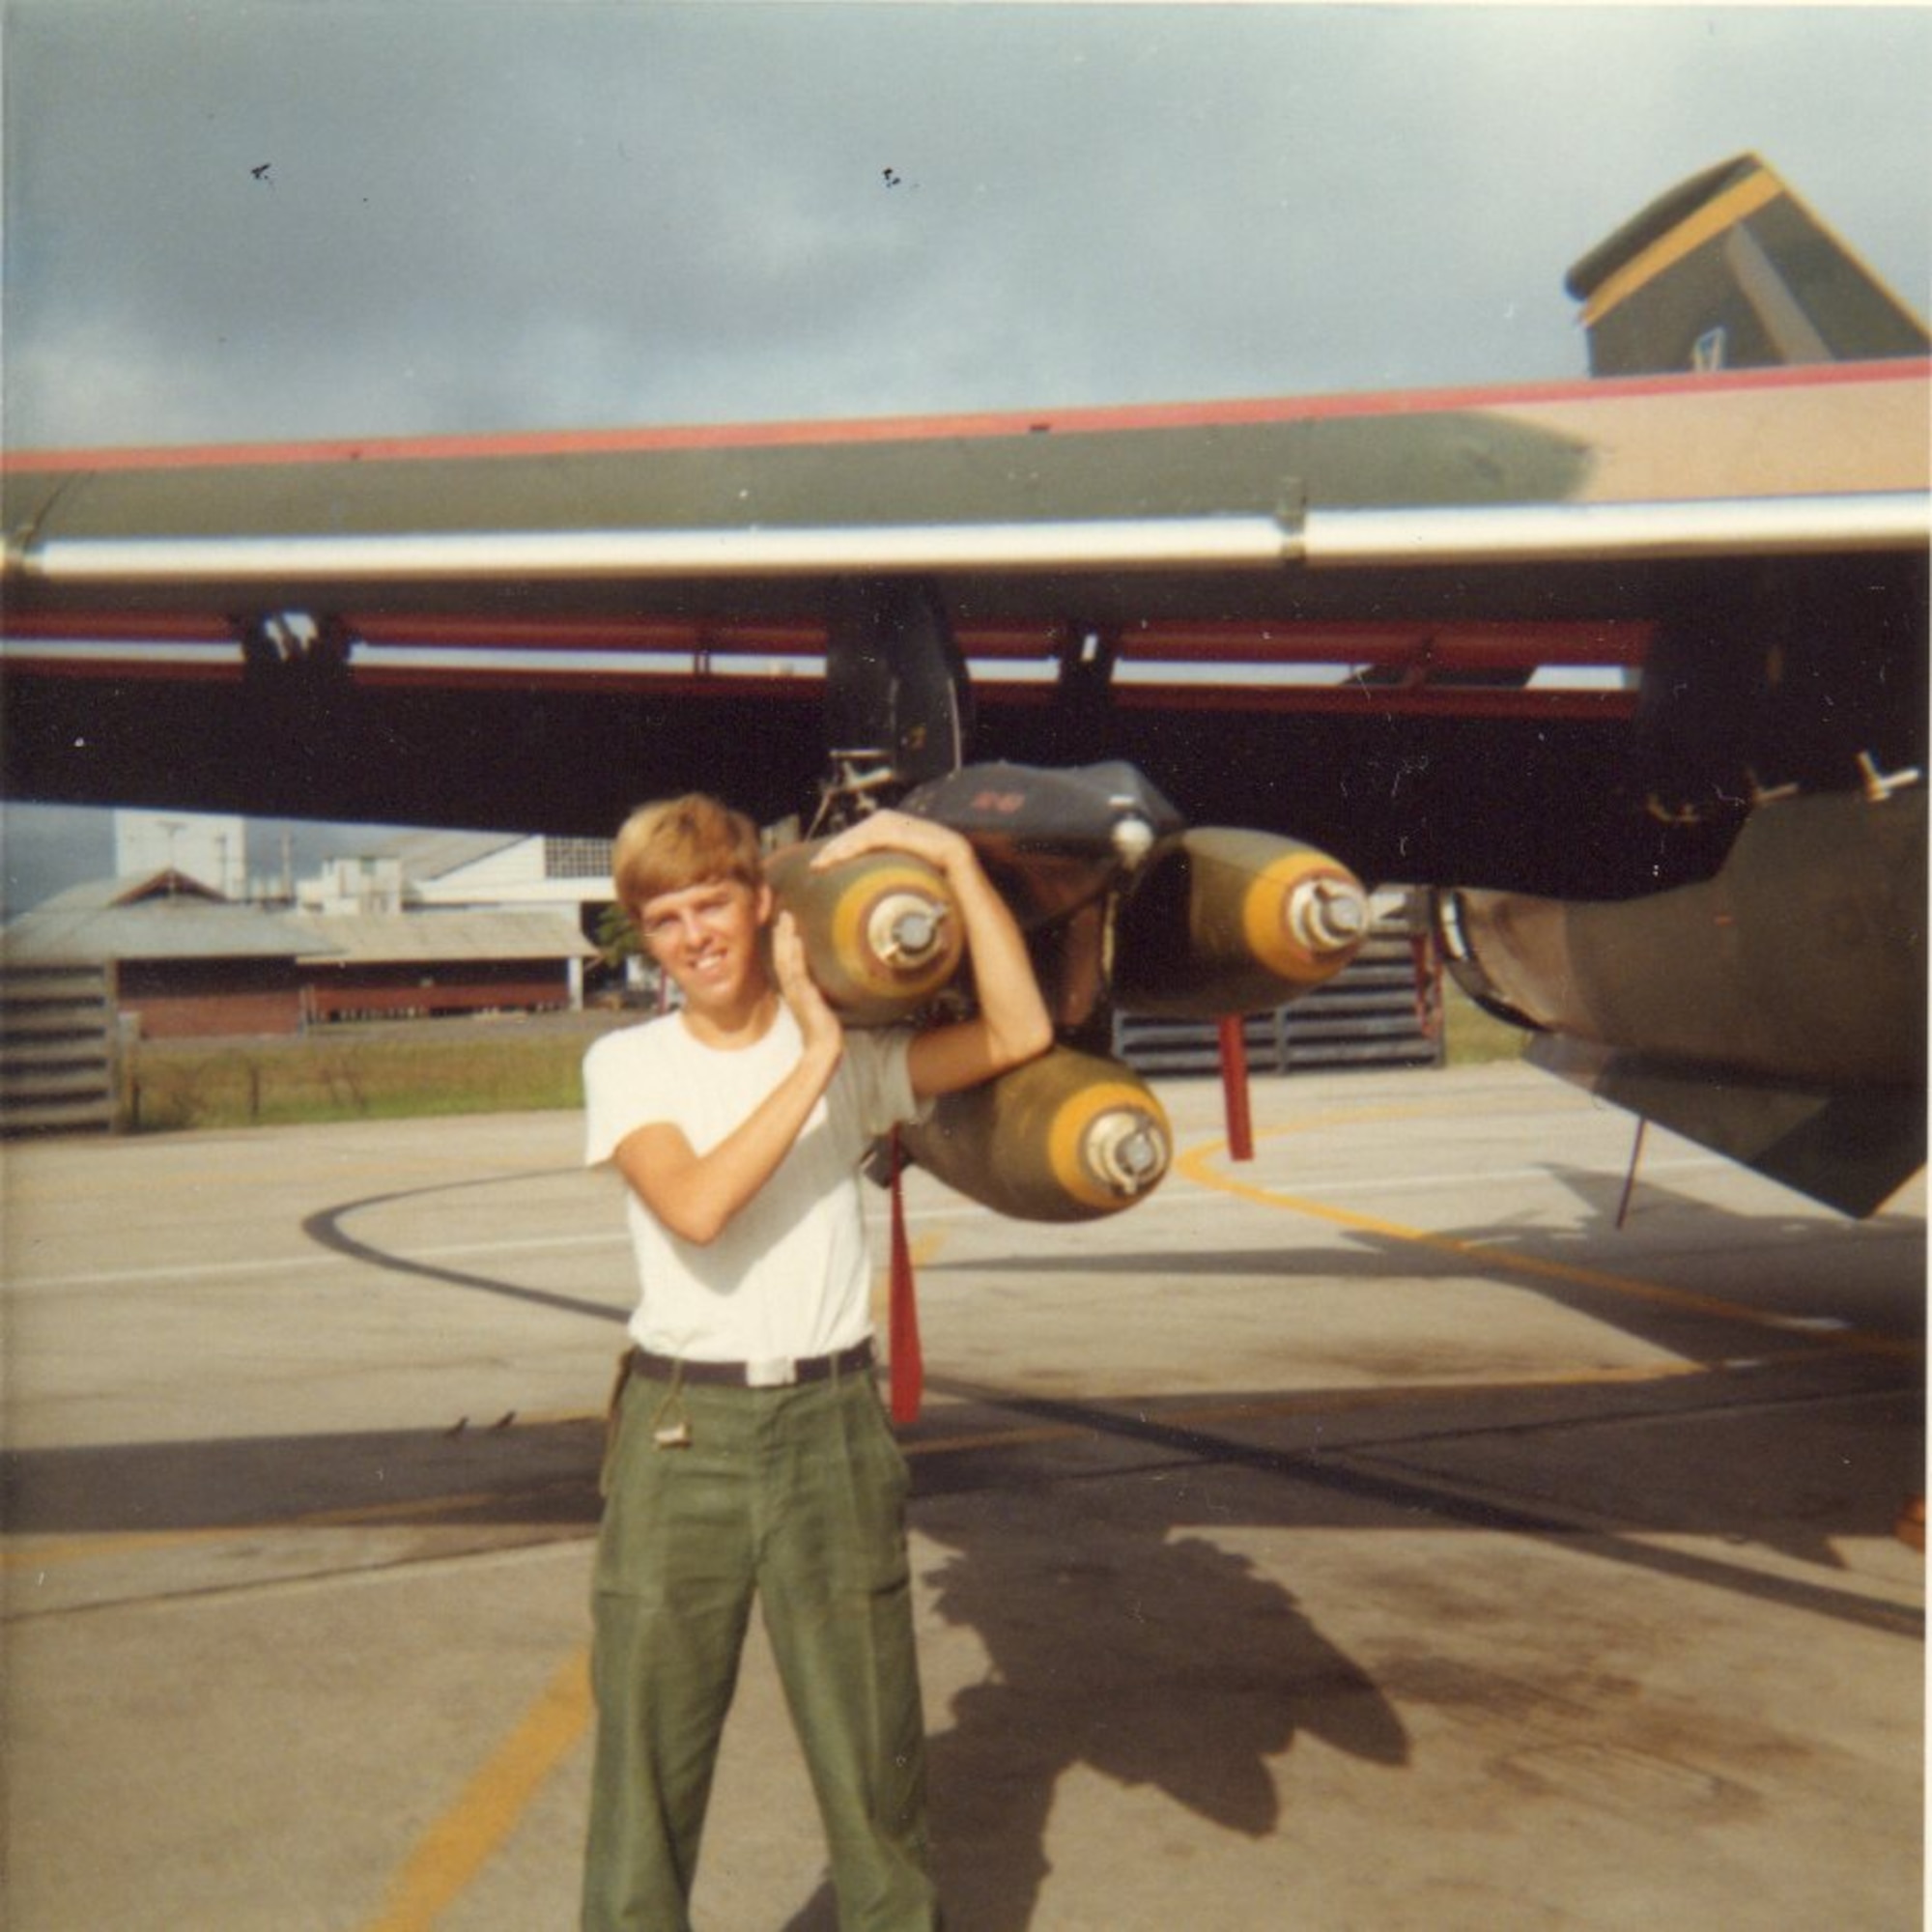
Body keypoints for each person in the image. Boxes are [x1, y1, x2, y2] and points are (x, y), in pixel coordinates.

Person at [580, 793, 1052, 1932]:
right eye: (663, 919)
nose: (692, 936)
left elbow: (1019, 1032)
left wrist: (948, 859)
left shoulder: (852, 1059)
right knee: (646, 1767)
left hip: (832, 1429)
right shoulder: (628, 1062)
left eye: (710, 905)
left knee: (871, 1762)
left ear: (763, 905)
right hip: (680, 1434)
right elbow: (695, 1205)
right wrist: (821, 1053)